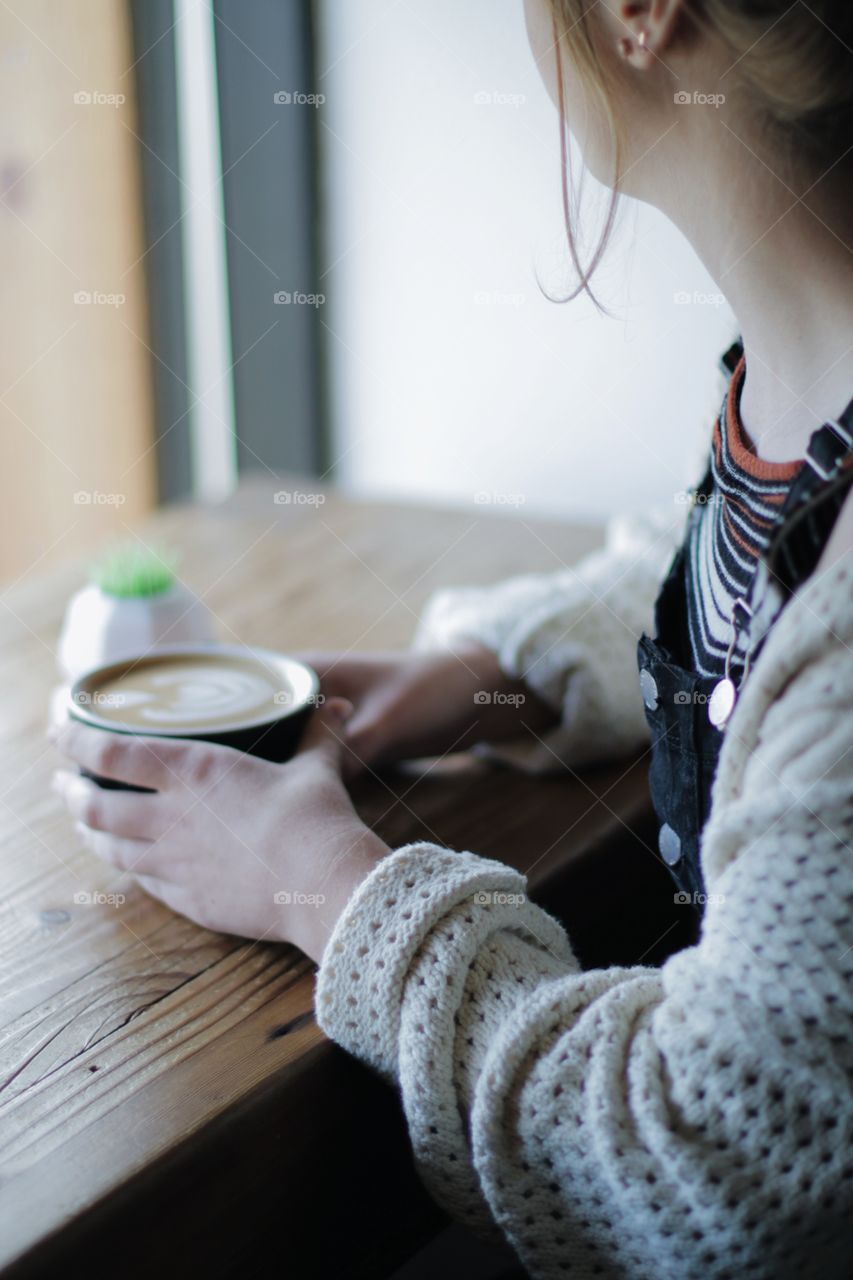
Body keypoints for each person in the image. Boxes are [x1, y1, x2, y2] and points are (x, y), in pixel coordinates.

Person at [51, 1, 853, 1275]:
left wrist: (325, 884)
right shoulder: (804, 383)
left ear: (641, 13)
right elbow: (734, 570)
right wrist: (495, 680)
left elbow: (717, 1158)